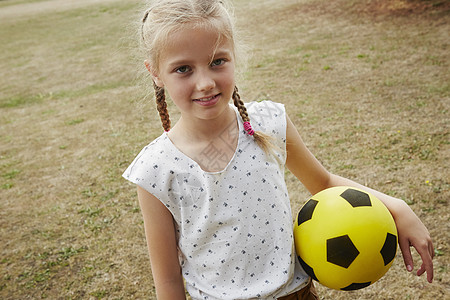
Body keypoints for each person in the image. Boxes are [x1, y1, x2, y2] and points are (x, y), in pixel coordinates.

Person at [122, 0, 434, 299]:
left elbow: (322, 183)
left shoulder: (268, 123)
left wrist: (397, 206)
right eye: (183, 69)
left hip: (295, 295)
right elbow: (167, 278)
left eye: (217, 61)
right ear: (155, 73)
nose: (205, 83)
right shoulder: (156, 170)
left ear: (234, 56)